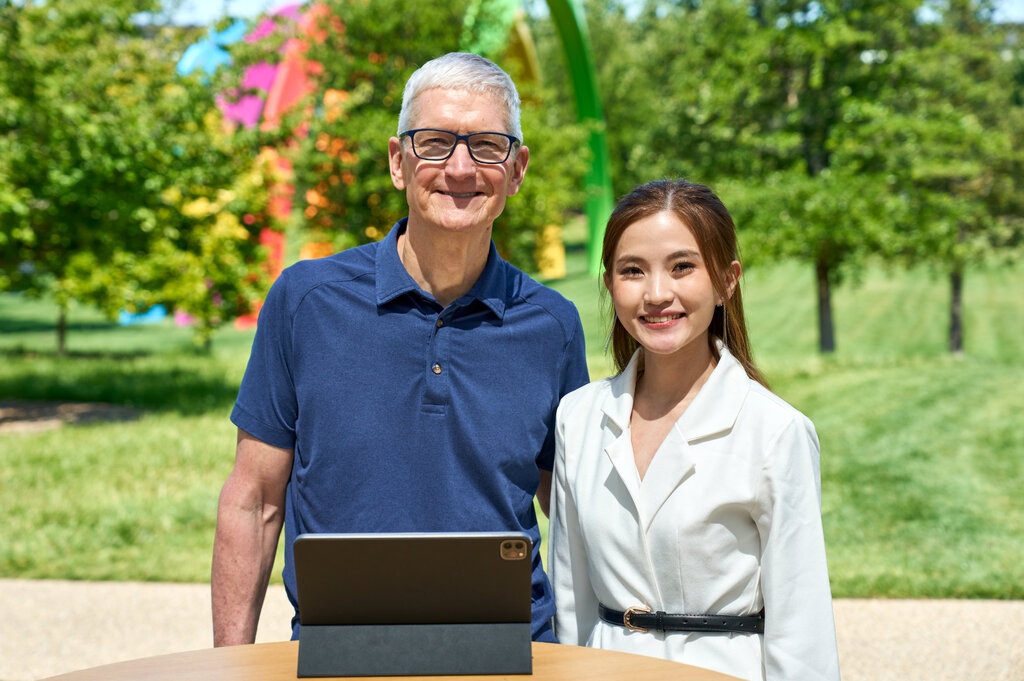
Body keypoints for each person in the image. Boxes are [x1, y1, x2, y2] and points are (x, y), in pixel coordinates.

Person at [211, 52, 589, 646]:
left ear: (517, 170)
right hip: (341, 646)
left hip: (513, 650)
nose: (459, 167)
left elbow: (574, 513)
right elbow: (254, 501)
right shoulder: (306, 302)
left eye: (487, 146)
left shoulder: (552, 325)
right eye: (434, 142)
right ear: (398, 162)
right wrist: (229, 666)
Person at [548, 179, 840, 680]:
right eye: (632, 271)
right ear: (609, 284)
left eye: (682, 267)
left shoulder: (776, 431)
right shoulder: (578, 418)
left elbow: (802, 628)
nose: (657, 294)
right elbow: (572, 600)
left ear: (727, 280)